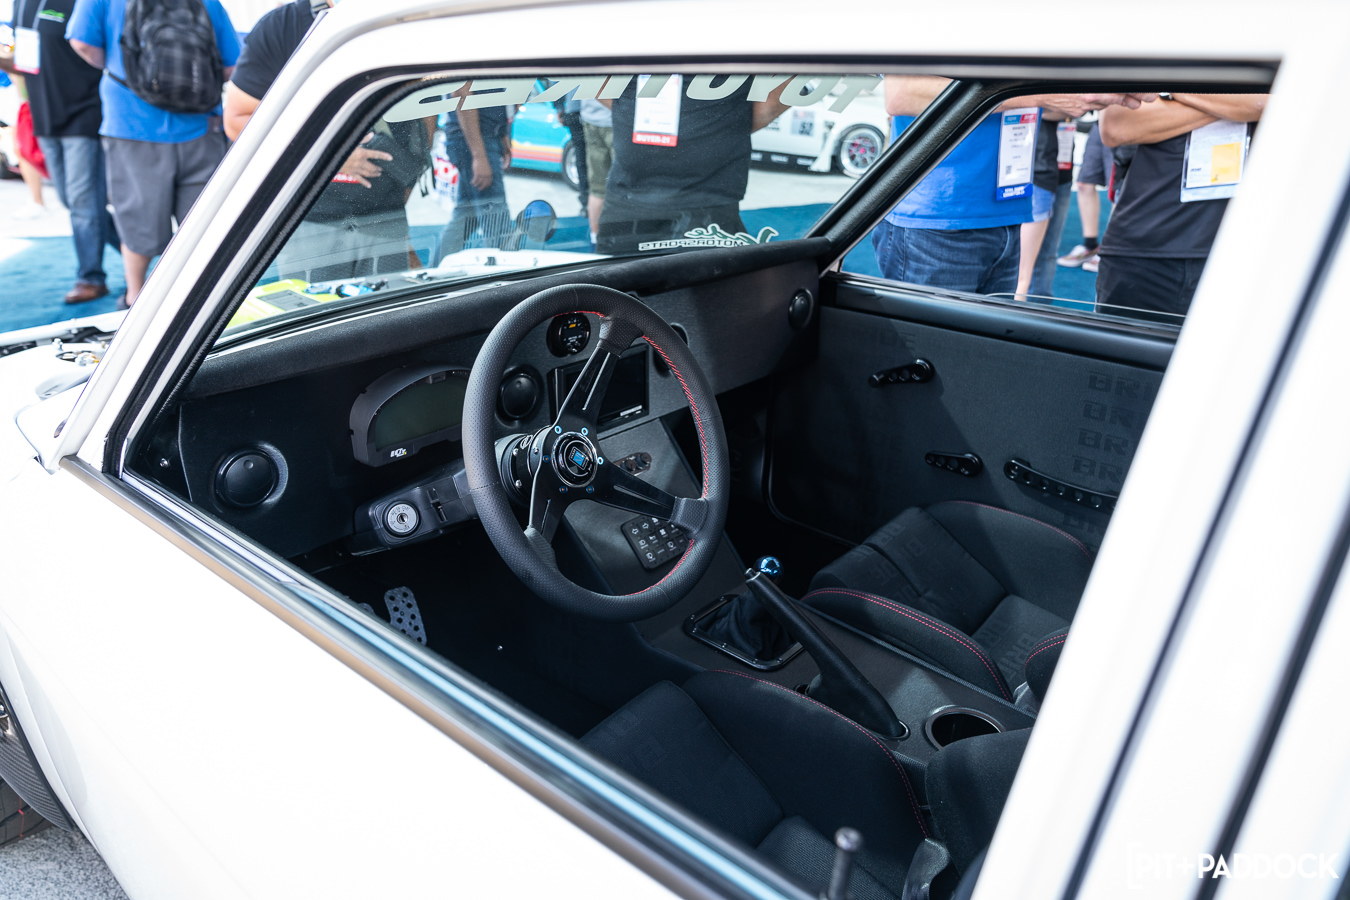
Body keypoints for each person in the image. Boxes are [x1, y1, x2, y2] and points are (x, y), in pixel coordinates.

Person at [873, 76, 1154, 295]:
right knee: (937, 349)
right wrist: (1045, 94)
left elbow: (1033, 104)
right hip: (938, 219)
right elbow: (902, 94)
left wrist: (1083, 95)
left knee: (989, 347)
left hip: (1008, 207)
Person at [224, 0, 432, 282]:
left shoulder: (403, 19)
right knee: (312, 309)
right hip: (308, 223)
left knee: (389, 308)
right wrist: (331, 156)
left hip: (386, 220)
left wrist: (402, 197)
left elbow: (425, 110)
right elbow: (238, 120)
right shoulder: (283, 27)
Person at [68, 0, 239, 307]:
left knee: (138, 220)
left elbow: (82, 43)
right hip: (202, 124)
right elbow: (231, 65)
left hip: (131, 123)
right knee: (203, 224)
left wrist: (126, 68)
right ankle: (203, 301)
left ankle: (135, 298)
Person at [1095, 92, 1266, 322]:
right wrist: (1238, 107)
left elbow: (1270, 103)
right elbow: (1117, 127)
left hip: (1243, 253)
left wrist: (1172, 93)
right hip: (1143, 247)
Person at [596, 74, 788, 255]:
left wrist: (716, 127)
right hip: (628, 198)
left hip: (705, 199)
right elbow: (595, 78)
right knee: (615, 277)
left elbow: (772, 101)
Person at [11, 0, 121, 303]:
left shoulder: (81, 2)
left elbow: (104, 51)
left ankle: (91, 278)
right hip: (44, 116)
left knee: (83, 202)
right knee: (72, 199)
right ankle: (139, 246)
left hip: (83, 114)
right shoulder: (21, 3)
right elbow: (24, 59)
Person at [438, 92, 511, 256]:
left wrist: (502, 136)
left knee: (467, 215)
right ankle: (505, 270)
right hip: (476, 140)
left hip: (483, 137)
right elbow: (461, 93)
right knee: (497, 226)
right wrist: (479, 156)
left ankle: (437, 266)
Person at [1057, 121, 1113, 272]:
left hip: (1125, 123)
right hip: (1100, 122)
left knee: (1117, 188)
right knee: (1084, 183)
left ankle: (1111, 249)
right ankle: (1090, 245)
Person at [579, 97, 612, 248]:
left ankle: (595, 238)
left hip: (590, 116)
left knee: (597, 187)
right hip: (616, 119)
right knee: (624, 183)